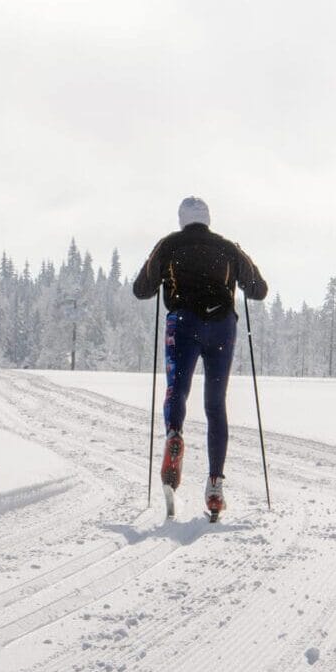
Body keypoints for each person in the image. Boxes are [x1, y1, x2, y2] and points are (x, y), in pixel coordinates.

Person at [131, 196, 268, 518]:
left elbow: (142, 289)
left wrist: (164, 273)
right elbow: (258, 290)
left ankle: (174, 434)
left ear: (182, 220)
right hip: (221, 327)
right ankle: (215, 485)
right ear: (208, 219)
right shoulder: (228, 247)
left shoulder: (168, 245)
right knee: (215, 404)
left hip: (183, 324)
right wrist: (238, 269)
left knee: (176, 389)